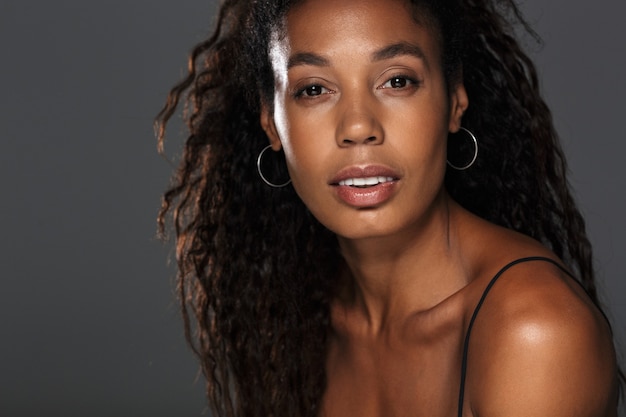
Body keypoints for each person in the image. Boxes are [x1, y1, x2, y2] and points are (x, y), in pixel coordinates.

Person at [156, 0, 621, 416]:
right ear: (271, 123)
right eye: (314, 89)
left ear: (455, 100)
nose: (358, 126)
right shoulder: (299, 319)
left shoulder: (535, 332)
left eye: (397, 81)